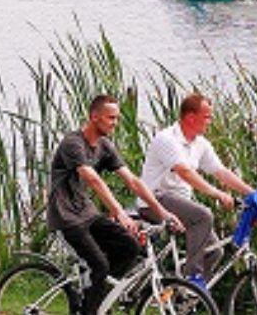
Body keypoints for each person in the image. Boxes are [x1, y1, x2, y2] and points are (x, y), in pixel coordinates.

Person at [45, 95, 180, 315]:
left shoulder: (104, 146)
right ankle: (90, 307)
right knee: (100, 265)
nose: (115, 123)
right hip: (66, 217)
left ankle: (97, 296)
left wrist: (162, 212)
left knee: (130, 247)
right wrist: (119, 213)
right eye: (111, 118)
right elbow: (93, 179)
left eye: (117, 118)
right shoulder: (73, 143)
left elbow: (133, 181)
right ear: (94, 117)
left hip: (87, 213)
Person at [139, 94, 257, 289]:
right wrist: (218, 194)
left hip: (179, 204)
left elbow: (221, 172)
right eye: (207, 117)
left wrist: (253, 193)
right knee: (203, 215)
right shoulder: (167, 139)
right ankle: (192, 278)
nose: (210, 121)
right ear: (191, 117)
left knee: (214, 252)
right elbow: (185, 172)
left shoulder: (200, 143)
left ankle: (186, 298)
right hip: (154, 200)